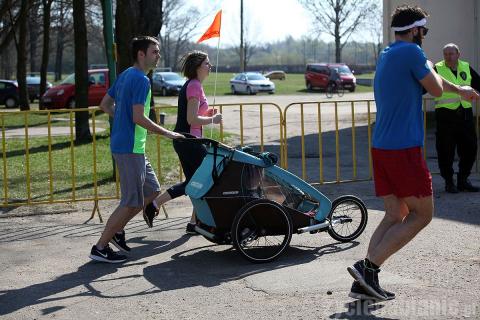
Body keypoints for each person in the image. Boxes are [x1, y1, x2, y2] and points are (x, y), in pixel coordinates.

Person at [346, 5, 479, 301]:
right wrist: (432, 66)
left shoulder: (389, 53)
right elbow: (434, 88)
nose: (425, 37)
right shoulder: (411, 53)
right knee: (423, 214)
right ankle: (368, 267)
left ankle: (364, 281)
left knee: (396, 213)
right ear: (416, 30)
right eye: (425, 31)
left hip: (383, 146)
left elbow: (436, 82)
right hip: (403, 148)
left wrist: (461, 89)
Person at [89, 36, 183, 263]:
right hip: (129, 147)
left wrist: (122, 117)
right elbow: (139, 117)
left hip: (133, 146)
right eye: (154, 52)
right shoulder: (141, 80)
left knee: (152, 190)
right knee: (131, 201)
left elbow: (104, 105)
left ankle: (117, 231)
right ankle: (100, 247)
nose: (158, 55)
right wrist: (168, 133)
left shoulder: (124, 75)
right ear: (141, 54)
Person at [143, 51, 222, 233]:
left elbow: (193, 116)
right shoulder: (194, 86)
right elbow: (192, 119)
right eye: (206, 64)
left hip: (185, 140)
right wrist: (213, 119)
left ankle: (193, 223)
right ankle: (155, 205)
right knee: (204, 180)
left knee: (195, 182)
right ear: (197, 67)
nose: (210, 67)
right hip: (189, 141)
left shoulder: (193, 85)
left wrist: (208, 114)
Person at [434, 43, 480, 193]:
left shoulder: (465, 66)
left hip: (465, 115)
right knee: (445, 150)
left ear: (458, 54)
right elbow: (423, 86)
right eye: (446, 54)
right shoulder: (437, 68)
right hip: (445, 116)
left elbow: (478, 83)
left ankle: (463, 180)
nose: (448, 57)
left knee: (471, 148)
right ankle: (449, 182)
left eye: (451, 54)